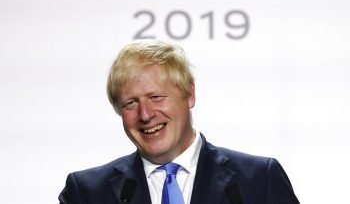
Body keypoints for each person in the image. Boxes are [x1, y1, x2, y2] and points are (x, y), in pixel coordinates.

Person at [59, 40, 300, 204]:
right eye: (131, 103)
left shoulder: (259, 181)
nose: (145, 114)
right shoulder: (86, 193)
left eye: (156, 97)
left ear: (189, 94)